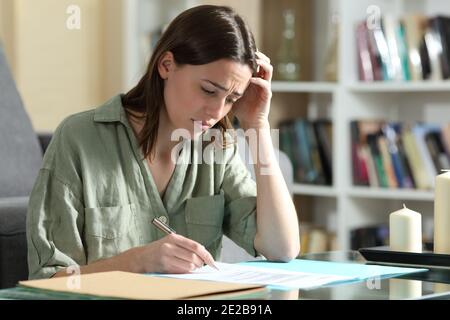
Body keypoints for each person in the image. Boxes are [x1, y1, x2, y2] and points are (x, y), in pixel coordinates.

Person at [26, 5, 300, 280]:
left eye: (231, 99)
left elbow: (282, 247)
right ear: (166, 65)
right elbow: (48, 281)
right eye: (208, 90)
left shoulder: (215, 149)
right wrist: (136, 261)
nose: (217, 112)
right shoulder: (78, 139)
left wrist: (258, 126)